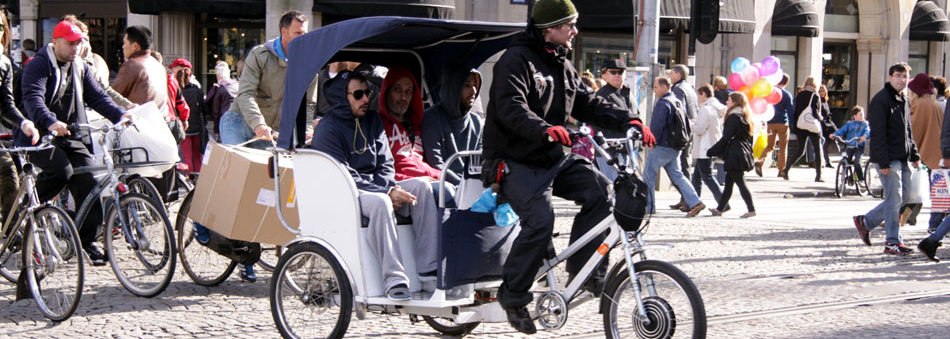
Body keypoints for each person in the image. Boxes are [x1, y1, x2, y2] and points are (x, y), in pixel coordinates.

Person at [481, 0, 653, 333]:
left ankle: (583, 271)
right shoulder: (515, 61)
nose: (575, 31)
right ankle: (513, 295)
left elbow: (587, 103)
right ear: (550, 29)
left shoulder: (561, 62)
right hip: (514, 159)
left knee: (602, 191)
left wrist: (629, 120)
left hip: (552, 157)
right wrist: (543, 129)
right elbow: (509, 107)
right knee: (540, 221)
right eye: (569, 25)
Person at [310, 70, 440, 301]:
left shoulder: (372, 121)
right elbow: (343, 175)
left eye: (367, 93)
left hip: (377, 187)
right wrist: (386, 191)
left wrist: (389, 187)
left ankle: (428, 270)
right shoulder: (328, 129)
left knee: (422, 186)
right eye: (358, 94)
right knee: (381, 202)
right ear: (343, 97)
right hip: (348, 192)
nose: (365, 99)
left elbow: (386, 163)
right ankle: (394, 278)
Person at [20, 20, 133, 265]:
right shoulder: (39, 65)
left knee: (89, 184)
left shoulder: (79, 66)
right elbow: (33, 98)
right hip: (39, 135)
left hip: (69, 134)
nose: (75, 48)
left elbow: (97, 97)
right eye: (70, 43)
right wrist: (49, 121)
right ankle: (27, 207)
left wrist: (119, 115)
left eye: (78, 42)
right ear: (56, 41)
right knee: (61, 170)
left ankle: (87, 240)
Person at [221, 10, 317, 150]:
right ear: (284, 32)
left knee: (265, 171)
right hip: (239, 121)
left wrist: (307, 130)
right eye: (298, 33)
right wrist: (258, 124)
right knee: (234, 167)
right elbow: (245, 93)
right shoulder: (259, 55)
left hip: (270, 131)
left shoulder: (308, 66)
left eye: (305, 34)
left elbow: (308, 104)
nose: (303, 38)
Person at [852, 63, 919, 255]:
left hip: (903, 156)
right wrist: (883, 162)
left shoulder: (904, 99)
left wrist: (914, 154)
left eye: (905, 76)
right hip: (888, 158)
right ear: (890, 77)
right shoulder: (881, 100)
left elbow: (908, 130)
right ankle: (892, 242)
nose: (902, 80)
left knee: (905, 197)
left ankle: (866, 222)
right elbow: (878, 133)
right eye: (898, 76)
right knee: (894, 198)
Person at [644, 76, 706, 216]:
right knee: (678, 175)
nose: (654, 91)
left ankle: (649, 206)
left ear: (664, 87)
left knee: (648, 175)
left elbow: (657, 126)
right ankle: (696, 202)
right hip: (675, 146)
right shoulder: (677, 101)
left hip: (662, 145)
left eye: (656, 87)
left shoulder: (663, 103)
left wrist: (651, 142)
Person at [0, 9, 39, 222]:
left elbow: (6, 106)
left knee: (9, 176)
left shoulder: (4, 63)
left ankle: (12, 237)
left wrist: (24, 123)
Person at [421, 64, 483, 186]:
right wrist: (463, 187)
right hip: (443, 184)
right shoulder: (430, 119)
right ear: (453, 88)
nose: (474, 91)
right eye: (467, 86)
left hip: (471, 186)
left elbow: (479, 163)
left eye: (475, 86)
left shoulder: (477, 122)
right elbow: (436, 165)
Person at [377, 67, 441, 181]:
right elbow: (381, 170)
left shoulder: (418, 125)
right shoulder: (377, 126)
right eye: (397, 90)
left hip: (428, 179)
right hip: (399, 184)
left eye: (408, 91)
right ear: (387, 91)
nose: (403, 97)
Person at [61, 15, 133, 109]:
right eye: (71, 42)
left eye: (83, 39)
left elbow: (103, 90)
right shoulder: (51, 62)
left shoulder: (89, 63)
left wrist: (128, 106)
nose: (78, 45)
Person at [707, 92, 756, 218]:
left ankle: (751, 209)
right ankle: (720, 209)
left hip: (735, 153)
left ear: (734, 102)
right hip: (740, 152)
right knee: (729, 183)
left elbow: (726, 138)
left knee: (740, 182)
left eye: (728, 100)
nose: (727, 102)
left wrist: (712, 150)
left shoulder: (734, 117)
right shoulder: (744, 116)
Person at [906, 73, 943, 231]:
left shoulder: (920, 104)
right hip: (937, 154)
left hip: (926, 153)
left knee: (913, 189)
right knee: (931, 191)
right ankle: (908, 218)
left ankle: (933, 225)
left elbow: (913, 130)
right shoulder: (933, 103)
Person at [594, 59, 634, 180]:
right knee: (612, 186)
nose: (617, 75)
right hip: (609, 150)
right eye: (613, 72)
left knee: (624, 188)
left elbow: (634, 118)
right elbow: (596, 121)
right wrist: (607, 140)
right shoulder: (602, 95)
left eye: (620, 72)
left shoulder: (627, 92)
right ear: (605, 75)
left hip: (627, 148)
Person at [668, 64, 698, 211]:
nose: (669, 76)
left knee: (679, 166)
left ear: (678, 75)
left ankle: (688, 198)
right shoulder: (689, 88)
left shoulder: (678, 89)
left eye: (672, 73)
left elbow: (678, 110)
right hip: (689, 130)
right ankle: (684, 198)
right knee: (683, 164)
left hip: (682, 132)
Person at [690, 84, 726, 211]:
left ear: (704, 94)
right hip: (710, 144)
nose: (698, 98)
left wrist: (689, 125)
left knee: (707, 177)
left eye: (699, 95)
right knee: (697, 177)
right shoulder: (716, 107)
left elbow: (700, 128)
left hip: (704, 147)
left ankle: (723, 202)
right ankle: (694, 202)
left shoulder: (706, 109)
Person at [781, 76, 823, 182]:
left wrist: (794, 125)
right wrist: (821, 118)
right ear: (815, 85)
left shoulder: (800, 94)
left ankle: (786, 169)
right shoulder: (815, 95)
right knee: (817, 150)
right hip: (812, 126)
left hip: (801, 125)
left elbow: (795, 110)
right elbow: (815, 112)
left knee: (800, 151)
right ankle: (818, 175)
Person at [755, 73, 792, 177]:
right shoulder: (787, 94)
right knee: (782, 147)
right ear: (787, 82)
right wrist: (792, 123)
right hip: (783, 123)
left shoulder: (770, 93)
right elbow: (790, 110)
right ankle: (781, 170)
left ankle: (760, 161)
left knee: (769, 146)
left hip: (770, 122)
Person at [175, 63, 206, 173]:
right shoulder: (197, 90)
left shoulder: (179, 90)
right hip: (196, 126)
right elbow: (204, 107)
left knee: (186, 155)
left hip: (184, 126)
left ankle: (189, 178)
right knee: (197, 155)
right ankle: (198, 177)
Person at [829, 106, 869, 180]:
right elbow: (842, 130)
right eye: (860, 114)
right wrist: (834, 134)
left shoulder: (864, 124)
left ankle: (861, 179)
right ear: (854, 116)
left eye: (862, 114)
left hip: (859, 147)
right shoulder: (849, 124)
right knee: (845, 161)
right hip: (850, 146)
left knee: (857, 162)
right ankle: (844, 177)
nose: (862, 116)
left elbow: (867, 131)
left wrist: (864, 136)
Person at [204, 60, 237, 138]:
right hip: (238, 121)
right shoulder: (237, 86)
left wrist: (216, 129)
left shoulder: (219, 89)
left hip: (225, 123)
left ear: (217, 76)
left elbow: (215, 112)